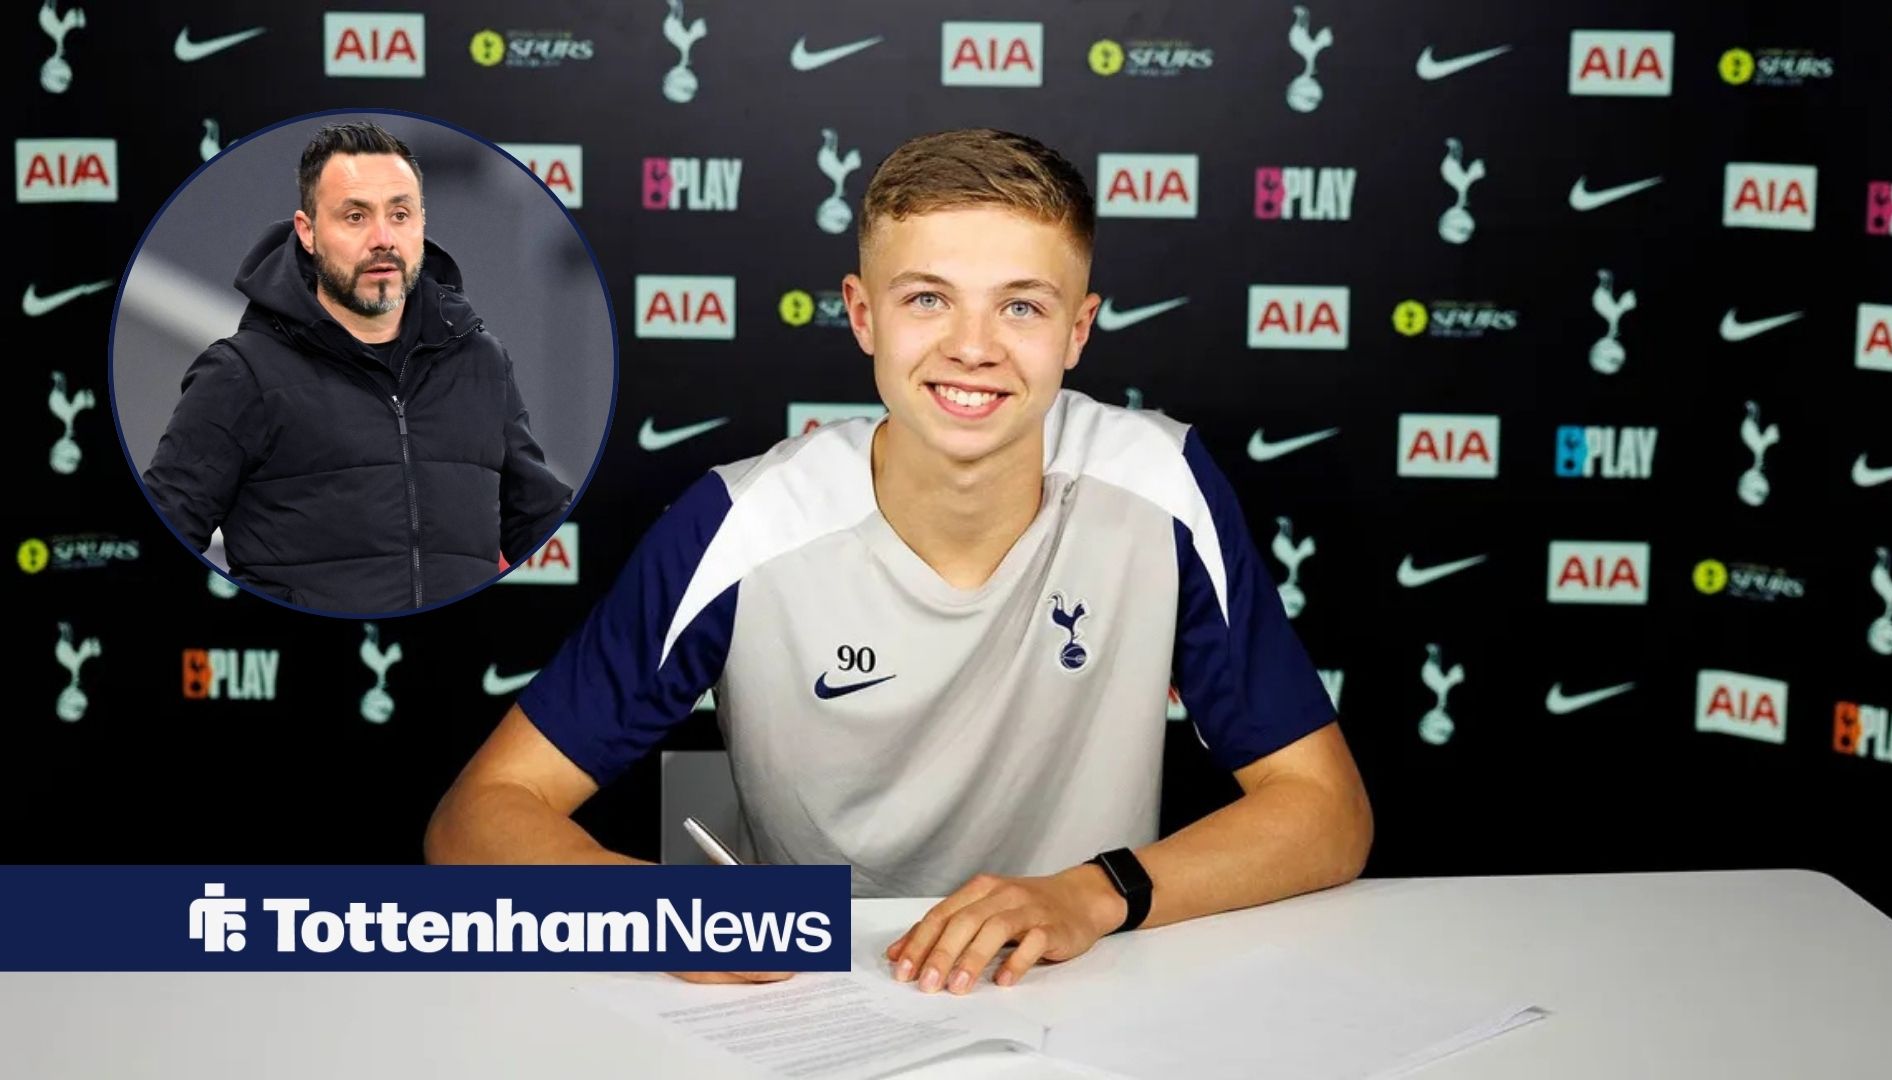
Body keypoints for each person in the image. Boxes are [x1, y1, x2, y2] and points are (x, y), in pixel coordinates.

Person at [425, 129, 1371, 993]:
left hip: (1081, 982)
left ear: (1078, 331)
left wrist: (1091, 894)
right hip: (815, 999)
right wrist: (666, 911)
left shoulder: (1161, 480)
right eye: (927, 299)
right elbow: (479, 818)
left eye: (1021, 307)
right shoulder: (744, 521)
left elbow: (1326, 810)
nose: (973, 348)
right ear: (863, 314)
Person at [142, 121, 573, 614]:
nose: (382, 239)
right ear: (308, 232)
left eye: (400, 214)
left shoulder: (480, 363)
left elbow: (543, 527)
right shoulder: (241, 374)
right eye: (355, 216)